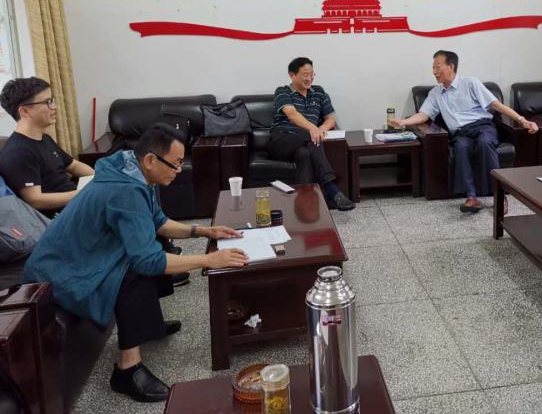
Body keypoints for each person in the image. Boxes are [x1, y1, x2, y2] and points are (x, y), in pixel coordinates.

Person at [23, 123, 248, 402]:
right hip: (60, 274)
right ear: (151, 159)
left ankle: (149, 323)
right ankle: (126, 370)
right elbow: (148, 261)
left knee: (151, 242)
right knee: (136, 267)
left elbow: (159, 222)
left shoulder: (131, 169)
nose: (179, 171)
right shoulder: (126, 190)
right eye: (175, 164)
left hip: (79, 256)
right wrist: (209, 259)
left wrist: (204, 231)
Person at [389, 50, 538, 213]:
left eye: (438, 67)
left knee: (484, 143)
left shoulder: (470, 83)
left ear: (451, 66)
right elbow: (424, 115)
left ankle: (500, 196)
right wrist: (403, 122)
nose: (434, 71)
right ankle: (471, 197)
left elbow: (496, 105)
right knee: (461, 147)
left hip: (482, 126)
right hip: (460, 133)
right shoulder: (435, 93)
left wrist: (522, 120)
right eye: (433, 67)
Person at [268, 57, 354, 211]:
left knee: (304, 154)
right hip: (281, 141)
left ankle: (304, 202)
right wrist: (313, 129)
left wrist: (322, 129)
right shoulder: (282, 91)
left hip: (306, 143)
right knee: (312, 137)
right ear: (292, 75)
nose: (309, 78)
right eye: (305, 75)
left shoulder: (319, 92)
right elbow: (292, 114)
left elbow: (331, 118)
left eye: (312, 74)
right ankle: (331, 189)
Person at [0, 77, 93, 218]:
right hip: (62, 217)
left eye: (52, 101)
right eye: (47, 102)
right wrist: (82, 194)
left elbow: (73, 166)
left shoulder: (44, 138)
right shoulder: (18, 153)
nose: (54, 107)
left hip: (76, 202)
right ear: (25, 111)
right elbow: (35, 200)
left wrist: (97, 178)